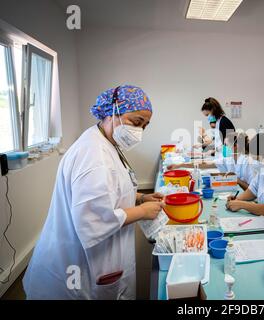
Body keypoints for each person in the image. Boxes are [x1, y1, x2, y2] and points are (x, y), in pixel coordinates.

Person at [23, 85, 165, 300]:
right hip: (74, 267)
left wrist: (141, 197)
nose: (139, 131)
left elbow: (109, 190)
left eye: (144, 126)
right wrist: (144, 211)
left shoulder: (102, 140)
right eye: (136, 122)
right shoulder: (93, 156)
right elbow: (94, 219)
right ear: (111, 111)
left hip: (86, 256)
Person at [169, 132, 256, 190]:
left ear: (235, 146)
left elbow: (253, 190)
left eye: (226, 145)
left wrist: (237, 180)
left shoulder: (248, 163)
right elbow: (205, 164)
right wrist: (180, 165)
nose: (224, 148)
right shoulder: (229, 159)